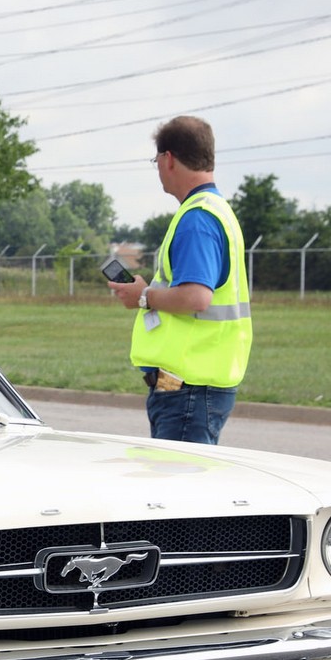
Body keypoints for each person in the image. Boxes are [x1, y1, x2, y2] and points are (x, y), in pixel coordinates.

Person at [108, 115, 252, 445]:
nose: (157, 167)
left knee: (179, 490)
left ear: (168, 158)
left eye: (156, 159)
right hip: (196, 387)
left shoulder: (197, 219)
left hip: (187, 390)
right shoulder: (215, 210)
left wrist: (144, 296)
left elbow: (195, 298)